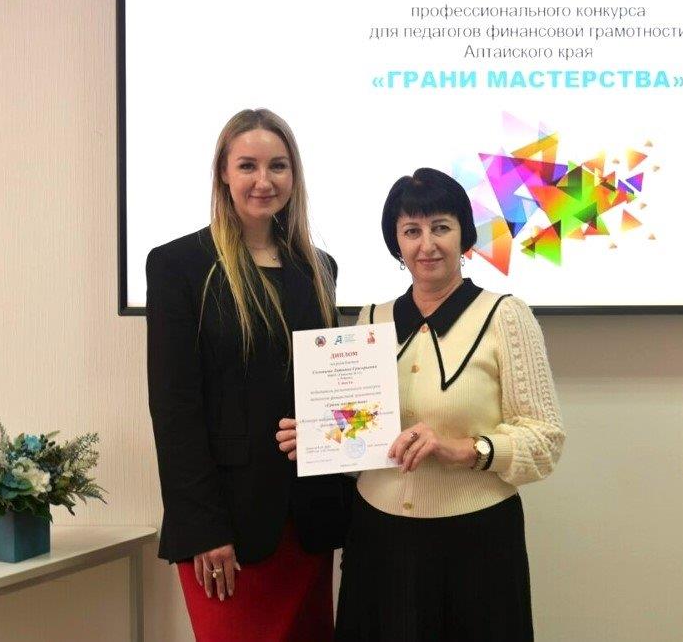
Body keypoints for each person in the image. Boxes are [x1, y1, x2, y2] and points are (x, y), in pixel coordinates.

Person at [290, 167, 564, 641]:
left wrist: (467, 450)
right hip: (378, 539)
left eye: (441, 227)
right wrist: (319, 435)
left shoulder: (505, 316)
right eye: (411, 231)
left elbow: (546, 439)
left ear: (463, 235)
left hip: (477, 542)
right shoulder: (369, 320)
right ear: (396, 243)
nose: (427, 244)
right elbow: (358, 428)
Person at [146, 109, 349, 642]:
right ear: (223, 173)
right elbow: (174, 408)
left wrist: (337, 432)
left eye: (278, 166)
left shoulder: (319, 268)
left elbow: (331, 387)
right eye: (248, 166)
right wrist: (204, 528)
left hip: (307, 522)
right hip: (227, 528)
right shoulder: (178, 265)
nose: (264, 180)